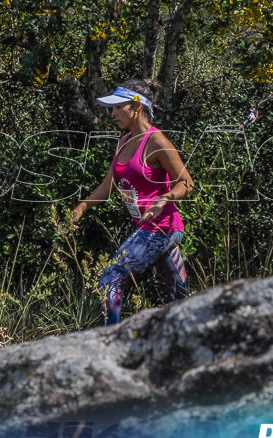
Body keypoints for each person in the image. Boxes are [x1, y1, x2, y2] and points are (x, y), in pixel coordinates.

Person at [71, 78, 194, 325]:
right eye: (112, 107)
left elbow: (187, 183)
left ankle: (111, 342)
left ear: (136, 107)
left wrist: (165, 199)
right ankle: (198, 337)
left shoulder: (157, 141)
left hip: (161, 229)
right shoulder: (124, 141)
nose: (112, 112)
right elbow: (107, 188)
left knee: (111, 278)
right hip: (148, 229)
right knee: (180, 298)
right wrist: (82, 207)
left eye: (118, 107)